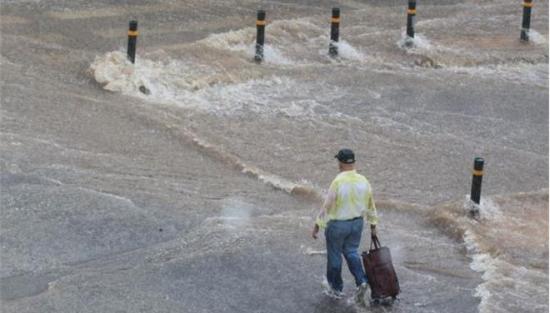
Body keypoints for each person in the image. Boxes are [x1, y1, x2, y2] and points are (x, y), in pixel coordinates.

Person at [312, 148, 378, 303]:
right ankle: (361, 281)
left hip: (337, 225)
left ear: (340, 163)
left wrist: (318, 224)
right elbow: (371, 205)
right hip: (357, 224)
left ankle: (335, 289)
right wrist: (373, 225)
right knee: (351, 252)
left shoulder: (338, 181)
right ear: (354, 162)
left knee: (335, 256)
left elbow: (327, 205)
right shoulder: (364, 180)